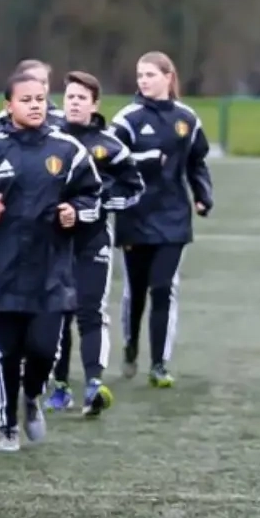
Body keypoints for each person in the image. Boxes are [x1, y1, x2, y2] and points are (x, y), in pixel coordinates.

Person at [0, 72, 102, 452]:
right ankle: (8, 425)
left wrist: (75, 212)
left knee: (44, 350)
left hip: (50, 272)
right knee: (7, 353)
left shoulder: (68, 150)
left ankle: (32, 395)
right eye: (26, 100)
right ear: (8, 105)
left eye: (40, 99)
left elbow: (92, 196)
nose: (35, 105)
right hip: (0, 272)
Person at [110, 52, 214, 387]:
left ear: (168, 77)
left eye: (150, 74)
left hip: (173, 217)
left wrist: (203, 194)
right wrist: (145, 160)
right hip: (135, 216)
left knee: (163, 288)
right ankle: (130, 346)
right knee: (136, 291)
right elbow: (110, 161)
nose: (143, 80)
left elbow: (197, 162)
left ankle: (159, 364)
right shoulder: (127, 119)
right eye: (140, 75)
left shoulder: (187, 119)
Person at [45, 71, 145, 416]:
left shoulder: (110, 146)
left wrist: (97, 206)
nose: (74, 103)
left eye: (82, 98)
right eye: (70, 97)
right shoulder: (49, 140)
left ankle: (93, 384)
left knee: (90, 310)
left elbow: (134, 188)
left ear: (95, 105)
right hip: (54, 242)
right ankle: (59, 386)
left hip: (93, 240)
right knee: (58, 312)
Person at [0, 59, 66, 130]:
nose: (38, 86)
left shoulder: (61, 117)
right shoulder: (3, 118)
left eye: (43, 82)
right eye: (32, 81)